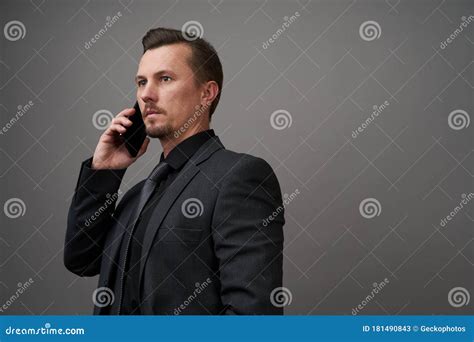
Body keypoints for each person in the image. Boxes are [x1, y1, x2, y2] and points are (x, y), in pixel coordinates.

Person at [64, 27, 285, 315]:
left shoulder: (240, 177)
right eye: (141, 82)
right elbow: (81, 259)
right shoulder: (136, 196)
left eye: (164, 79)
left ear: (207, 93)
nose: (146, 95)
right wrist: (104, 171)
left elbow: (253, 317)